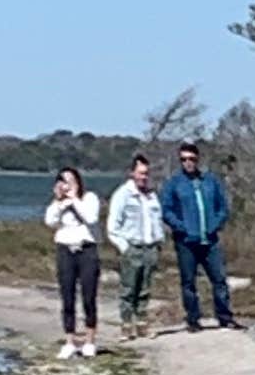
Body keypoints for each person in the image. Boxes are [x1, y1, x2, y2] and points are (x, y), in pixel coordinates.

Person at [161, 138, 236, 331]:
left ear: (197, 159)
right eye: (184, 159)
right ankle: (193, 319)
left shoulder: (210, 181)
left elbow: (222, 207)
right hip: (186, 241)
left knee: (219, 279)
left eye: (191, 158)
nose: (188, 162)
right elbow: (166, 210)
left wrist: (216, 224)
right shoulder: (174, 183)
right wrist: (181, 227)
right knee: (189, 282)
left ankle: (225, 316)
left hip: (209, 240)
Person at [45, 164, 103, 360]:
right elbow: (50, 221)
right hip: (65, 250)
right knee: (67, 297)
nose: (66, 186)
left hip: (86, 249)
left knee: (89, 296)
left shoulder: (89, 198)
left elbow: (91, 218)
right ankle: (69, 341)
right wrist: (59, 201)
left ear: (78, 182)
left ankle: (89, 341)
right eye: (62, 182)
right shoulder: (59, 203)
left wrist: (74, 200)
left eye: (70, 181)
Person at [107, 152, 167, 336]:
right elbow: (112, 227)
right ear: (132, 173)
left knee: (145, 289)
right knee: (128, 289)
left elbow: (157, 220)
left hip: (150, 248)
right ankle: (126, 325)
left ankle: (142, 324)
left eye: (146, 173)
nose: (144, 177)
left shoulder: (151, 196)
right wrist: (125, 248)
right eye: (140, 173)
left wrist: (159, 242)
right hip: (132, 247)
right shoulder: (123, 195)